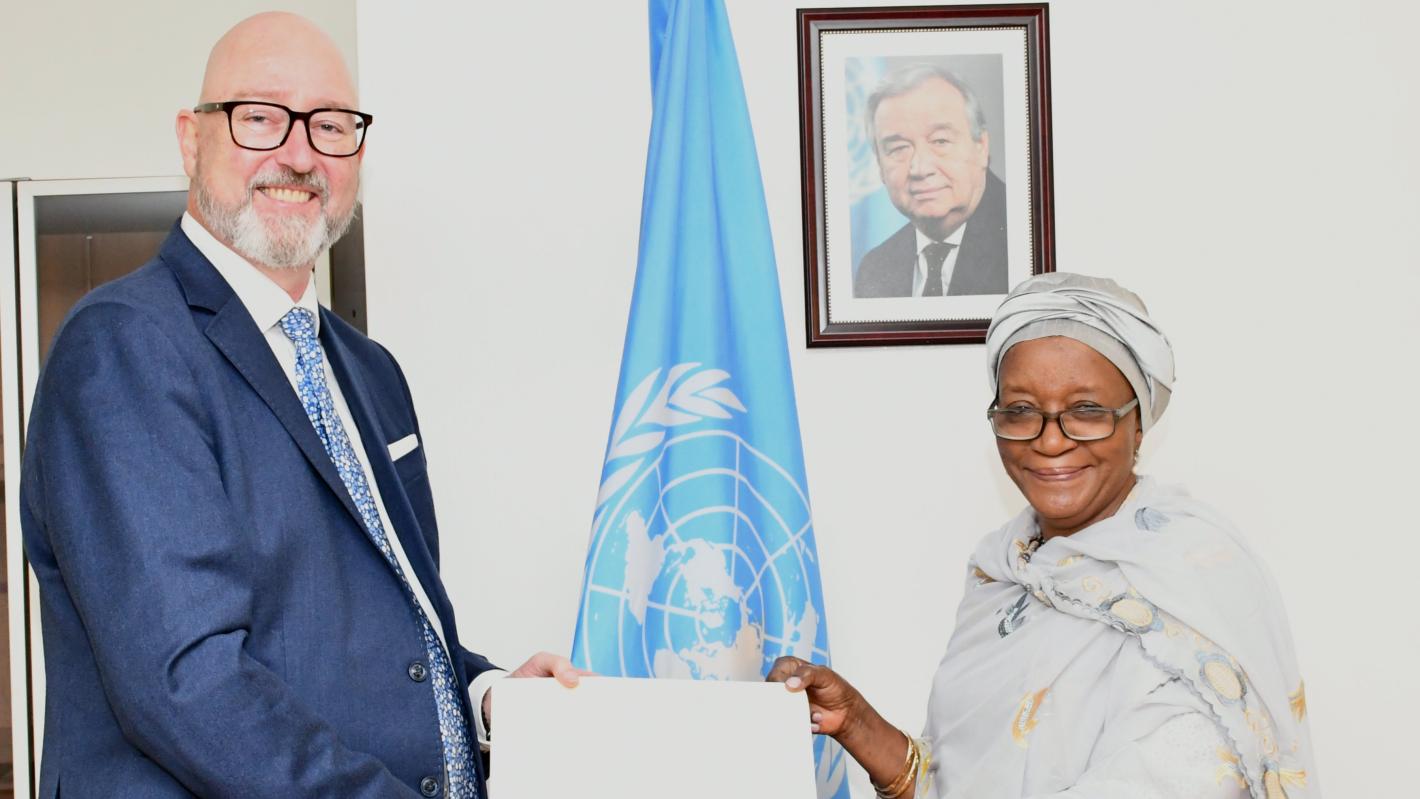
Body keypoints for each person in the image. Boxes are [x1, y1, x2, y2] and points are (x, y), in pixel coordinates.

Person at [19, 12, 579, 798]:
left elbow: (388, 634)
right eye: (259, 117)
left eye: (330, 125)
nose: (299, 153)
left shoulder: (370, 372)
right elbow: (191, 682)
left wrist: (489, 695)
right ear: (191, 139)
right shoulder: (123, 347)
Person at [772, 273, 1316, 798]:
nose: (1050, 442)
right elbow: (964, 785)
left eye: (1087, 410)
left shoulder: (1194, 582)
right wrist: (859, 725)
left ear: (1138, 425)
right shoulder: (1004, 571)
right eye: (1020, 411)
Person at [854, 64, 1008, 298]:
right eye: (899, 148)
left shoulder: (1025, 241)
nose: (920, 169)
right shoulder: (874, 270)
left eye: (940, 141)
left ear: (981, 147)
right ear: (879, 166)